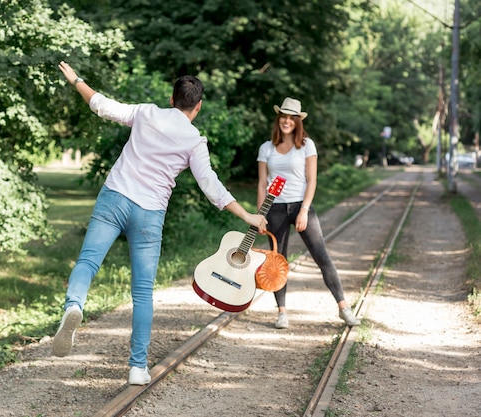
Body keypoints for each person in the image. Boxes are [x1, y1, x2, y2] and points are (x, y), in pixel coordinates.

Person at [54, 61, 268, 385]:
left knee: (87, 261)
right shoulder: (195, 141)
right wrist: (248, 216)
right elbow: (211, 186)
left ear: (172, 98)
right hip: (149, 214)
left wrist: (77, 80)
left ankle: (74, 305)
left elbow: (101, 105)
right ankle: (137, 367)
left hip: (114, 197)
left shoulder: (146, 113)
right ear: (197, 106)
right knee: (142, 292)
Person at [256, 97, 361, 329]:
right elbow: (263, 184)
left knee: (321, 256)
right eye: (282, 116)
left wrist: (304, 209)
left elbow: (312, 180)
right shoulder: (266, 148)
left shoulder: (306, 145)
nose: (286, 121)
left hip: (301, 206)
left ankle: (344, 308)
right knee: (277, 262)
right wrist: (260, 215)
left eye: (290, 117)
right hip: (274, 209)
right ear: (278, 119)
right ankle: (282, 312)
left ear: (297, 121)